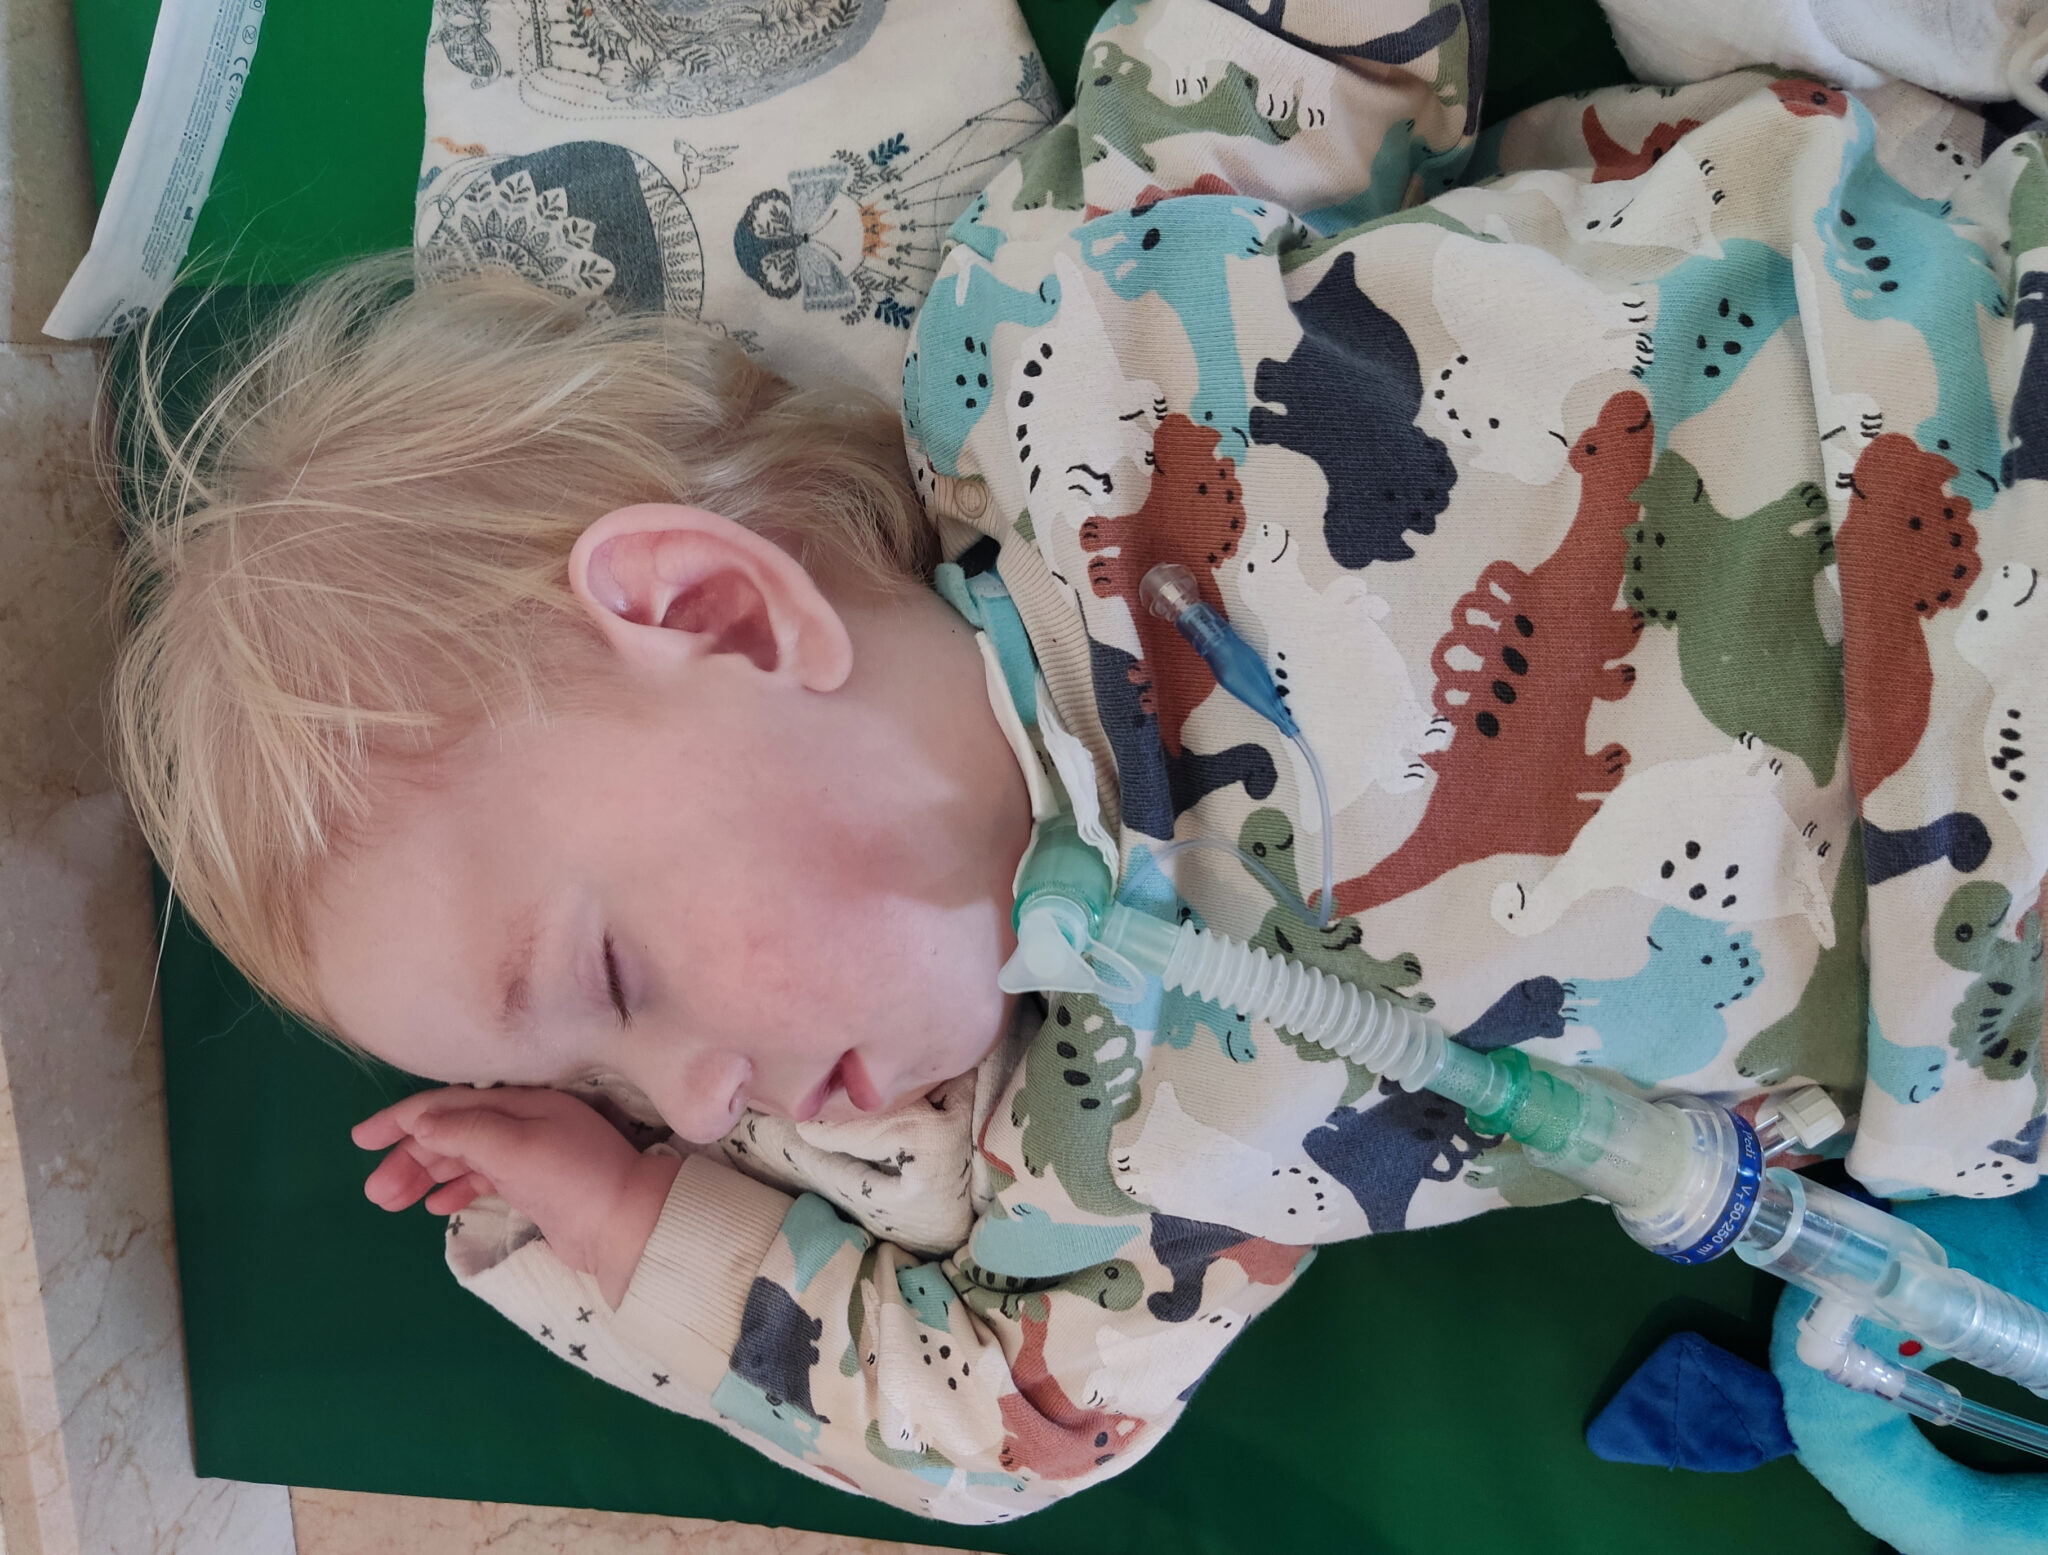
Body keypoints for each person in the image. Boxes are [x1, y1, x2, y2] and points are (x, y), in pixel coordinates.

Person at [110, 0, 2045, 1524]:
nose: (697, 1097)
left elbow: (1304, 45)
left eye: (615, 984)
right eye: (623, 1094)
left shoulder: (1071, 334)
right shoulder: (1112, 1152)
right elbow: (980, 1424)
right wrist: (632, 1225)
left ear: (716, 614)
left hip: (1952, 338)